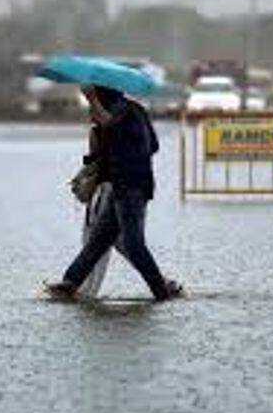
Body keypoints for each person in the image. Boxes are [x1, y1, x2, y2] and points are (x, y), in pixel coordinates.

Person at [47, 85, 181, 301]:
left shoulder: (123, 111)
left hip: (131, 187)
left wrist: (91, 99)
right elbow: (153, 145)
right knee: (98, 240)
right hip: (123, 185)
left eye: (96, 98)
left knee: (133, 244)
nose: (92, 112)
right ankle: (70, 284)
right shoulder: (135, 110)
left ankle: (161, 290)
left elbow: (108, 121)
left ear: (103, 96)